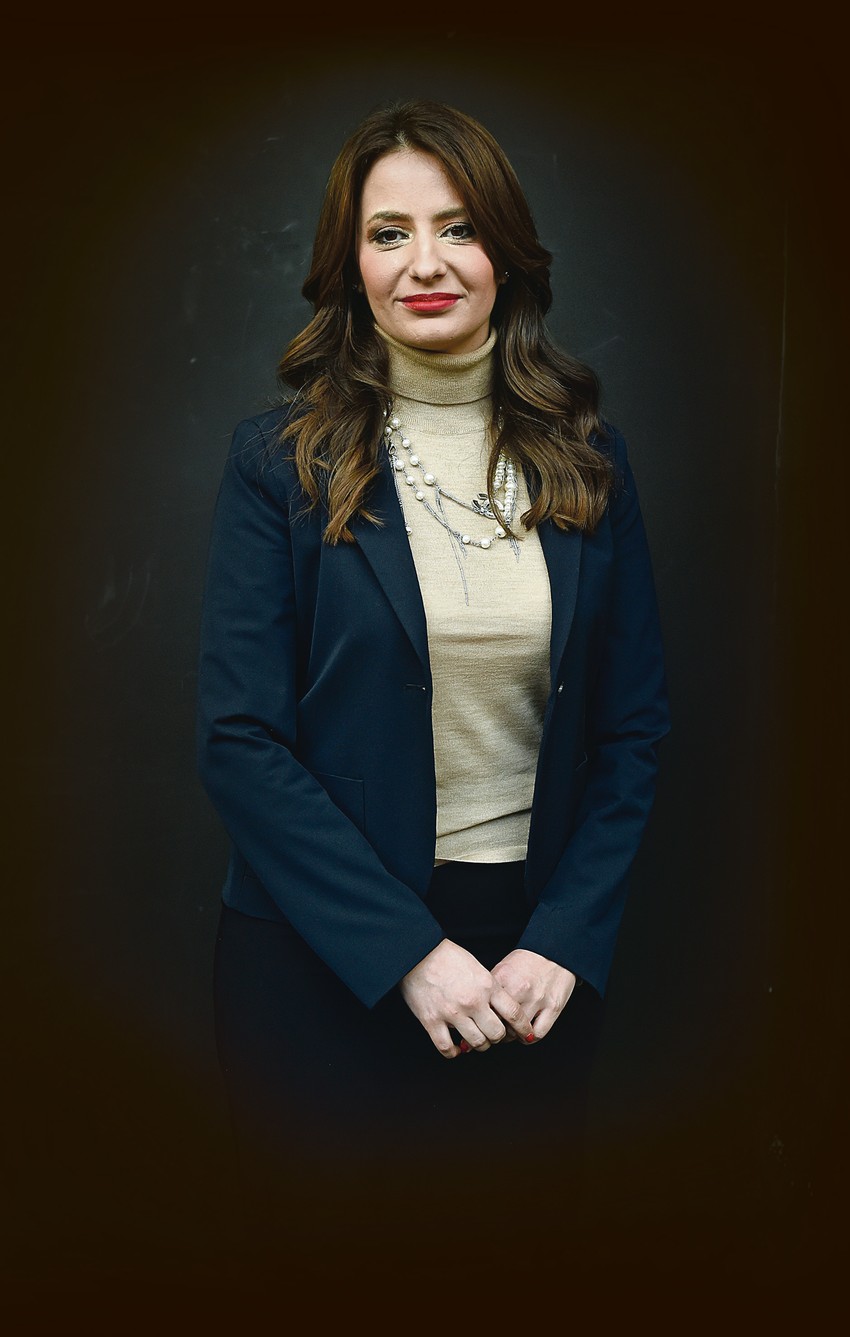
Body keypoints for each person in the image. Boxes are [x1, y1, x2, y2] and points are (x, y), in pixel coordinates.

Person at [197, 99, 669, 1278]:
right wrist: (408, 948)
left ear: (504, 250)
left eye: (457, 227)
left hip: (530, 964)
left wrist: (564, 937)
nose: (425, 262)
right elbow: (239, 739)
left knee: (506, 1272)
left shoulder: (590, 461)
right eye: (388, 232)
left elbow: (632, 729)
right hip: (320, 959)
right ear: (349, 264)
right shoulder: (278, 465)